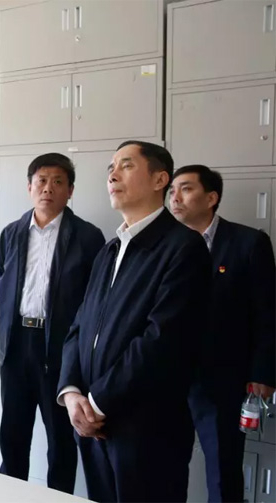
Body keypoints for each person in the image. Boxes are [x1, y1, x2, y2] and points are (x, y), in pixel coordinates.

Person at [57, 141, 211, 502]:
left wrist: (97, 403)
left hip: (146, 428)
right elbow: (80, 325)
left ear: (160, 179)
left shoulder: (183, 247)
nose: (112, 175)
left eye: (126, 166)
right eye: (111, 168)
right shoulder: (109, 250)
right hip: (94, 423)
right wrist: (72, 391)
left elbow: (162, 339)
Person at [0, 153, 104, 492]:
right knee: (12, 433)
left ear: (70, 191)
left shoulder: (88, 237)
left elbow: (94, 300)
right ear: (29, 187)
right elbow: (3, 283)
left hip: (60, 347)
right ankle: (8, 494)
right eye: (41, 181)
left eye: (58, 182)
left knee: (60, 439)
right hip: (17, 345)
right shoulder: (11, 233)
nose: (48, 189)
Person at [170, 164, 276, 502]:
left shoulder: (248, 243)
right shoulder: (164, 244)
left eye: (186, 189)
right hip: (168, 377)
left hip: (221, 378)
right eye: (172, 190)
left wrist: (262, 372)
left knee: (222, 469)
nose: (175, 197)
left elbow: (267, 313)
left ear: (211, 197)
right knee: (166, 466)